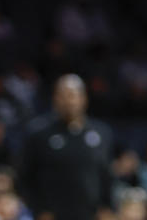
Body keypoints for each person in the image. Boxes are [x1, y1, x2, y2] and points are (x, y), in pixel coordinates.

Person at [19, 74, 114, 220]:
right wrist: (39, 209)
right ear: (55, 99)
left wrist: (107, 207)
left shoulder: (102, 133)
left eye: (73, 95)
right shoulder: (38, 133)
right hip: (52, 215)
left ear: (84, 99)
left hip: (91, 214)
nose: (69, 101)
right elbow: (25, 177)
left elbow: (106, 175)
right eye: (63, 95)